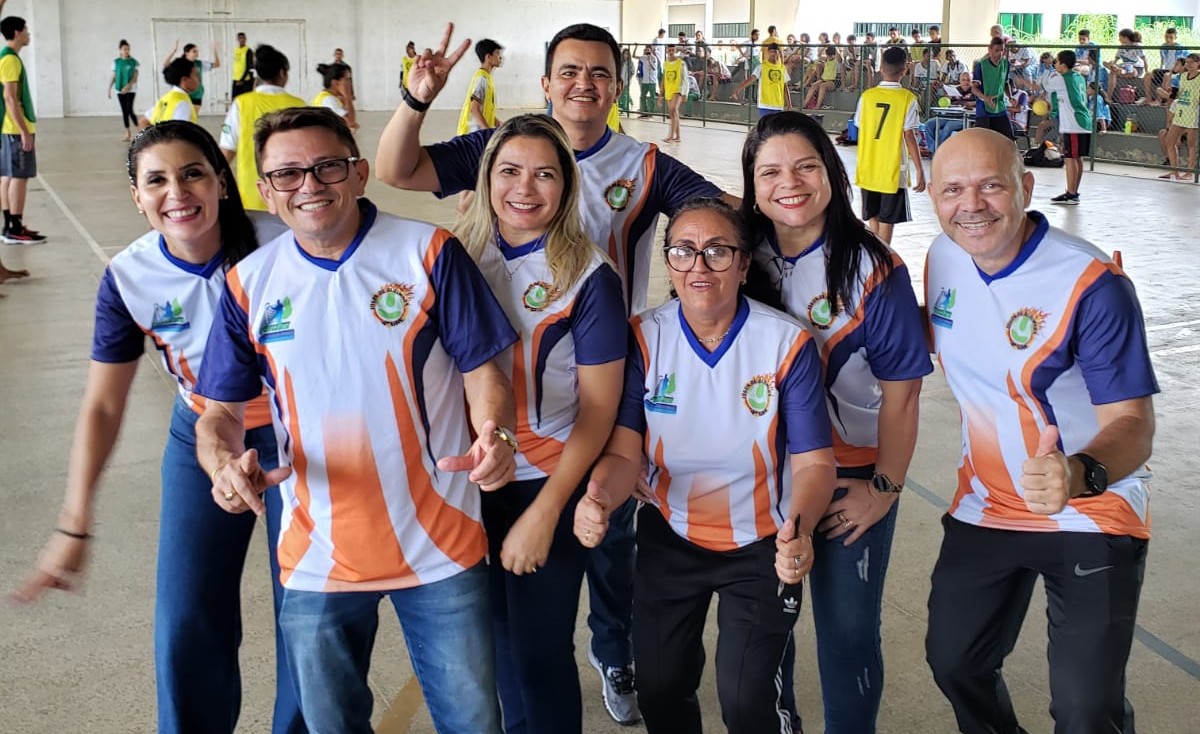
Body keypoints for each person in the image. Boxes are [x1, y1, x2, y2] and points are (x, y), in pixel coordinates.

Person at [375, 22, 732, 726]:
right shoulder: (476, 206)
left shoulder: (639, 170)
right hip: (478, 466)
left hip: (581, 403)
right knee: (502, 642)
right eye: (569, 70)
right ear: (545, 83)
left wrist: (798, 214)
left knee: (605, 552)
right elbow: (396, 169)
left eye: (599, 72)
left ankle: (614, 650)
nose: (583, 84)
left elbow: (717, 214)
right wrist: (415, 100)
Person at [195, 106, 518, 734]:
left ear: (360, 171)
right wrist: (221, 464)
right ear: (264, 191)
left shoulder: (428, 252)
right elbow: (221, 415)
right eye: (286, 175)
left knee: (473, 721)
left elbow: (483, 370)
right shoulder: (248, 285)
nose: (309, 186)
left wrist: (495, 434)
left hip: (441, 546)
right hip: (317, 556)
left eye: (326, 167)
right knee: (331, 724)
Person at [11, 120, 304, 734]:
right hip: (199, 435)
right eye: (157, 180)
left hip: (301, 439)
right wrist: (74, 521)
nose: (178, 191)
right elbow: (102, 406)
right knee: (186, 616)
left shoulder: (286, 244)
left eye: (193, 172)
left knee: (306, 612)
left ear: (221, 182)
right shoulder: (128, 277)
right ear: (138, 197)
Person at [924, 127, 1158, 734]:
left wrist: (1079, 473)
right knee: (954, 664)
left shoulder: (1090, 284)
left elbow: (1133, 425)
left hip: (1089, 510)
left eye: (990, 186)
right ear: (931, 195)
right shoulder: (943, 258)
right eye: (952, 189)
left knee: (1085, 711)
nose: (970, 205)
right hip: (988, 503)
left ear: (1026, 187)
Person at [574, 197, 835, 734]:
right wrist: (598, 495)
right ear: (668, 263)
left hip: (763, 542)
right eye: (684, 251)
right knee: (663, 688)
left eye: (718, 251)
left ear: (743, 265)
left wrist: (800, 530)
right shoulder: (643, 337)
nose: (699, 265)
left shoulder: (786, 343)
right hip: (672, 538)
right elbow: (625, 453)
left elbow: (813, 463)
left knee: (745, 702)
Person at [741, 110, 931, 734]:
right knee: (772, 622)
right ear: (752, 182)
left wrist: (884, 490)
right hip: (764, 478)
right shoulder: (739, 258)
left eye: (804, 166)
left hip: (853, 480)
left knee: (848, 632)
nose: (788, 183)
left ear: (831, 172)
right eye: (769, 171)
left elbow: (903, 398)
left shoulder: (875, 270)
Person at [455, 114, 627, 734]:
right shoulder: (457, 257)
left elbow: (600, 410)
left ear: (567, 185)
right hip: (470, 484)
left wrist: (547, 511)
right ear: (487, 178)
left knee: (538, 656)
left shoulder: (589, 278)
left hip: (543, 483)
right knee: (495, 649)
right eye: (509, 171)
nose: (525, 189)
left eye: (545, 174)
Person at [218, 44, 304, 211]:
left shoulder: (241, 104)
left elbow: (226, 150)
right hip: (293, 194)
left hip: (252, 196)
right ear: (282, 73)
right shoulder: (299, 105)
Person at [854, 45, 926, 245]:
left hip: (868, 166)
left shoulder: (867, 97)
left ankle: (876, 255)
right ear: (905, 70)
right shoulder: (907, 99)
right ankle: (883, 259)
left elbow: (860, 126)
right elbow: (909, 135)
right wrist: (919, 168)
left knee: (873, 217)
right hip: (891, 168)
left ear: (881, 68)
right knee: (887, 220)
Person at [0, 14, 44, 244]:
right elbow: (10, 98)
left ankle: (10, 226)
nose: (28, 33)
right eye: (25, 29)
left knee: (7, 176)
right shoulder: (10, 60)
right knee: (19, 176)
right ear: (17, 33)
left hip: (8, 128)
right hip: (15, 129)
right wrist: (24, 131)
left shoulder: (8, 58)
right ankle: (14, 228)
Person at [1044, 50, 1094, 204]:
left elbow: (1046, 85)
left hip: (1074, 123)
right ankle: (1073, 192)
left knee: (1070, 158)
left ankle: (1071, 194)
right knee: (1077, 158)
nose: (1055, 64)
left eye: (1057, 62)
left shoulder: (1060, 79)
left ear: (1063, 65)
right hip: (1083, 121)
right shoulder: (1078, 77)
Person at [1162, 53, 1200, 180]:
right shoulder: (1183, 76)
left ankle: (1189, 172)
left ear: (1198, 63)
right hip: (1181, 110)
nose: (1188, 65)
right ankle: (1175, 171)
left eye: (1191, 62)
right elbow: (1178, 93)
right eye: (1187, 62)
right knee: (1170, 141)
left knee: (1191, 144)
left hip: (1193, 112)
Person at [729, 42, 790, 116]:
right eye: (772, 51)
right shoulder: (761, 67)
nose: (774, 54)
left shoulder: (782, 68)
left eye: (776, 51)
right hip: (765, 104)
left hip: (778, 105)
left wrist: (789, 103)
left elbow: (785, 86)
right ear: (768, 52)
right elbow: (750, 80)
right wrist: (738, 90)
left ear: (779, 53)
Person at [459, 38, 504, 135]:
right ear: (488, 57)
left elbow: (483, 108)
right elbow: (474, 108)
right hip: (472, 135)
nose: (500, 57)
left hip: (478, 133)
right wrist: (487, 132)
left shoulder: (487, 77)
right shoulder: (482, 79)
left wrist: (496, 122)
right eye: (497, 54)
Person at [973, 37, 1015, 139]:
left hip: (999, 107)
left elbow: (1005, 83)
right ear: (989, 49)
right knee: (984, 141)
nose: (999, 54)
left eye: (1002, 50)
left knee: (1008, 139)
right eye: (997, 50)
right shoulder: (981, 66)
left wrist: (1010, 96)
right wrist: (985, 98)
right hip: (984, 110)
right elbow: (974, 88)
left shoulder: (1005, 64)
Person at [162, 40, 219, 110]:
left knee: (193, 116)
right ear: (186, 53)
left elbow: (217, 64)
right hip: (184, 93)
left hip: (197, 94)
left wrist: (215, 51)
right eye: (194, 51)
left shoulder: (199, 63)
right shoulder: (180, 63)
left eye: (197, 51)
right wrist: (174, 51)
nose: (197, 53)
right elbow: (165, 65)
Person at [141, 57, 199, 126]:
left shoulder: (166, 98)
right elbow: (179, 134)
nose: (198, 80)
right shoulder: (183, 104)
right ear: (184, 80)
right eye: (196, 75)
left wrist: (151, 136)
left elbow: (143, 122)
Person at [1144, 28, 1188, 106]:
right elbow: (1162, 60)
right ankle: (1148, 98)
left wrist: (1172, 71)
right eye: (1166, 37)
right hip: (1166, 69)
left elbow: (1182, 65)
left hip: (1176, 71)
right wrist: (1160, 68)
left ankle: (1159, 100)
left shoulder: (1181, 49)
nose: (1168, 39)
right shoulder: (1163, 47)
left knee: (1166, 75)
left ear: (1175, 38)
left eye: (1171, 37)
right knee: (1148, 75)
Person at [312, 61, 358, 131]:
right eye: (347, 79)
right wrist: (347, 95)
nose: (350, 83)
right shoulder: (329, 100)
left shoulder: (326, 96)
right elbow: (351, 122)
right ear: (336, 83)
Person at [108, 39, 140, 141]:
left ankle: (142, 131)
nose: (127, 51)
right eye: (125, 49)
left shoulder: (133, 62)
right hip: (119, 89)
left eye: (128, 49)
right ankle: (128, 134)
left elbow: (135, 77)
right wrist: (109, 88)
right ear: (120, 50)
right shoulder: (116, 62)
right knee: (124, 111)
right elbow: (114, 76)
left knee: (130, 110)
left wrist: (128, 86)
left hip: (131, 89)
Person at [1104, 29, 1146, 100]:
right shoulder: (1121, 47)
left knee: (1133, 72)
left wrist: (1146, 71)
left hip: (1136, 67)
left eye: (1120, 37)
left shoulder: (1136, 46)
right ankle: (1109, 96)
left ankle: (1120, 71)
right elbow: (1116, 60)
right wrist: (1112, 64)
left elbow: (1144, 59)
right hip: (1124, 67)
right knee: (1107, 66)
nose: (1119, 39)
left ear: (1125, 38)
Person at [803, 45, 840, 110]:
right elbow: (819, 55)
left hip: (833, 80)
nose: (828, 57)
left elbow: (839, 57)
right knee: (814, 85)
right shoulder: (826, 59)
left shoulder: (836, 60)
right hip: (824, 79)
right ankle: (804, 104)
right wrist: (824, 46)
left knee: (822, 86)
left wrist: (835, 48)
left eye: (830, 56)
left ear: (833, 55)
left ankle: (818, 106)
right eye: (828, 55)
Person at [661, 44, 684, 142]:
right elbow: (664, 78)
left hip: (677, 89)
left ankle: (670, 135)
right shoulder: (665, 63)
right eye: (669, 49)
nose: (671, 51)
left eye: (672, 49)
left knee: (673, 109)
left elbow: (684, 77)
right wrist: (661, 92)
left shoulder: (680, 63)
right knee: (673, 113)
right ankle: (678, 136)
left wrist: (685, 92)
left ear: (675, 50)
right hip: (669, 89)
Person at [231, 32, 255, 98]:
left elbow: (249, 66)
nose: (241, 40)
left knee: (245, 100)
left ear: (245, 39)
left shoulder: (248, 50)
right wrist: (237, 79)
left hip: (245, 80)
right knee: (235, 101)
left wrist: (242, 80)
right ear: (237, 39)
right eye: (240, 38)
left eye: (243, 38)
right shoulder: (236, 50)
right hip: (236, 78)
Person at [638, 44, 660, 116]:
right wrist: (636, 47)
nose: (647, 51)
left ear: (651, 50)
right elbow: (634, 56)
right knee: (643, 96)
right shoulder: (643, 57)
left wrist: (649, 60)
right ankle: (644, 111)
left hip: (652, 81)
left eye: (648, 50)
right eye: (646, 50)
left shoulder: (654, 58)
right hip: (645, 80)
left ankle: (651, 112)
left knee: (652, 97)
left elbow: (654, 68)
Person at [618, 47, 634, 112]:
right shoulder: (621, 62)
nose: (626, 55)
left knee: (625, 93)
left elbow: (632, 72)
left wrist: (628, 79)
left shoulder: (630, 63)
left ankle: (626, 107)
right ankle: (623, 106)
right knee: (621, 94)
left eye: (627, 54)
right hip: (620, 80)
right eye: (624, 54)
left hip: (627, 80)